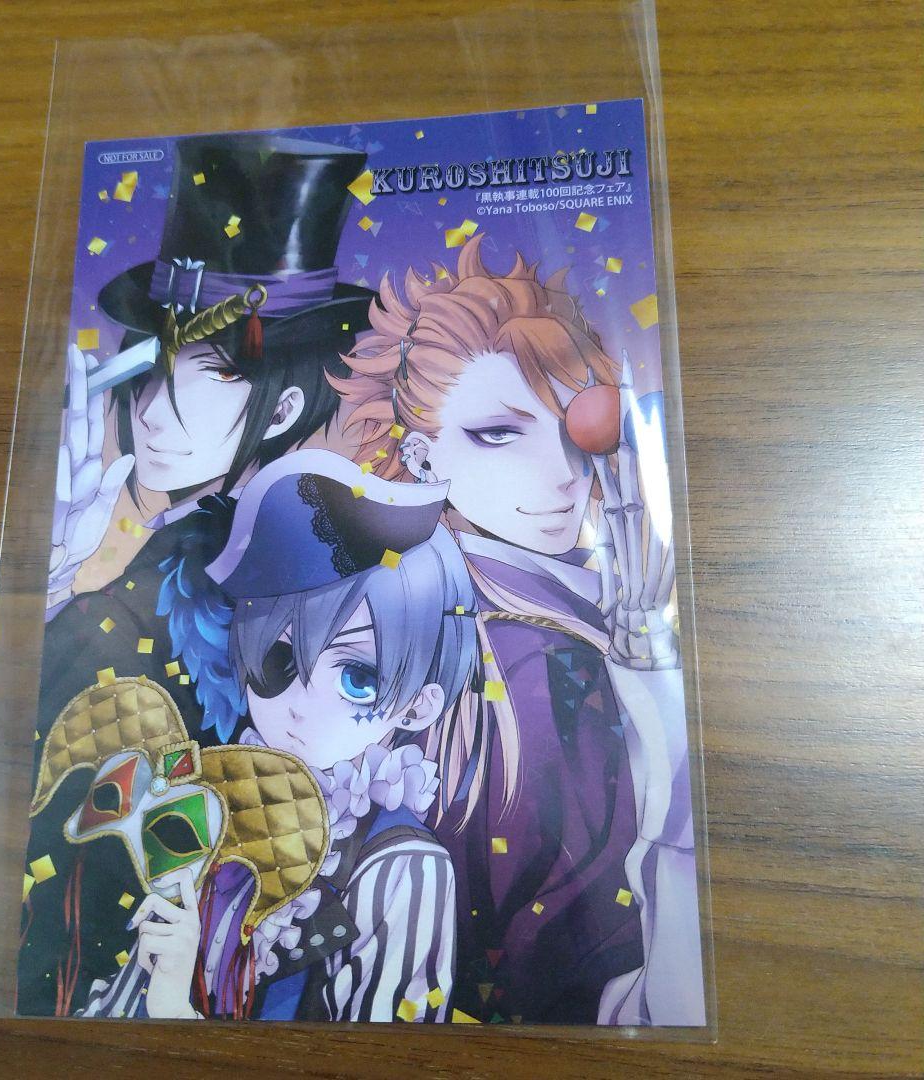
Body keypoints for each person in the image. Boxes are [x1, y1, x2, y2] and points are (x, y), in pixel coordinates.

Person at [19, 134, 374, 1016]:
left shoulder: (306, 571)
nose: (152, 413)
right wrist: (58, 580)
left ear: (282, 406)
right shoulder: (130, 546)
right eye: (154, 372)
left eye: (205, 374)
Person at [330, 237, 705, 1026]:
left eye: (573, 424)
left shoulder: (570, 604)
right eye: (499, 432)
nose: (563, 471)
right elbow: (595, 982)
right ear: (422, 457)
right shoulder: (522, 659)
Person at [75, 450, 483, 1021]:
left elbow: (386, 1055)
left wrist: (175, 1012)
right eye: (278, 659)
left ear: (419, 706)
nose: (299, 706)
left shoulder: (402, 868)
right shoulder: (209, 807)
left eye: (357, 678)